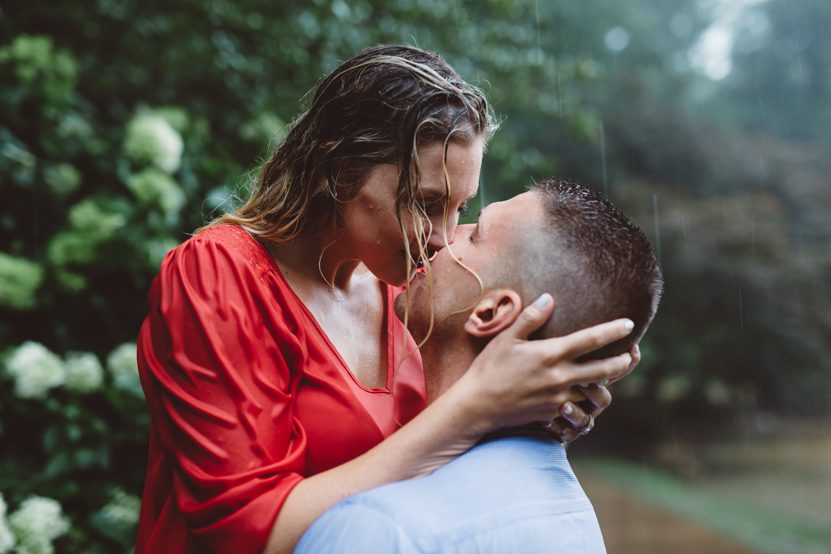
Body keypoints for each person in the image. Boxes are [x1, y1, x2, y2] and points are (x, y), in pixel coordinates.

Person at [135, 45, 639, 554]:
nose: (443, 238)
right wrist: (475, 410)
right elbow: (241, 533)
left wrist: (550, 395)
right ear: (339, 165)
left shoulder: (409, 290)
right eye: (426, 203)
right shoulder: (221, 275)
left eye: (461, 207)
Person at [296, 179, 663, 553]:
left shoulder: (383, 530)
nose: (443, 237)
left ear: (492, 312)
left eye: (474, 235)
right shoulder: (575, 520)